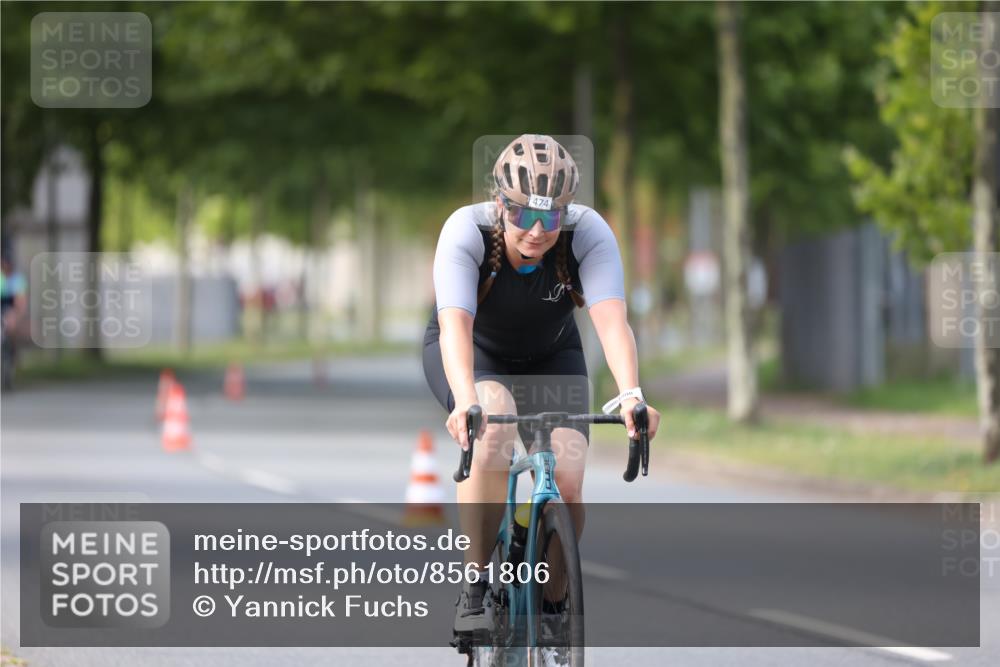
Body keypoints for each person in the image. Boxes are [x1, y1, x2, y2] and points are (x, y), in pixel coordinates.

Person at [421, 134, 661, 635]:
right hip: (475, 354)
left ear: (565, 214)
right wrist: (465, 400)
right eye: (522, 214)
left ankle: (553, 611)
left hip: (553, 356)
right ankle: (475, 585)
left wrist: (631, 394)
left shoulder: (588, 233)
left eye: (550, 218)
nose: (535, 230)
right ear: (499, 203)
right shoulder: (465, 231)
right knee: (494, 427)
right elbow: (455, 326)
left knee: (567, 485)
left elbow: (612, 323)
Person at [1, 252, 27, 390]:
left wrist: (16, 316)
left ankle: (13, 358)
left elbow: (20, 301)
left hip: (11, 309)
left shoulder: (17, 280)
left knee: (11, 327)